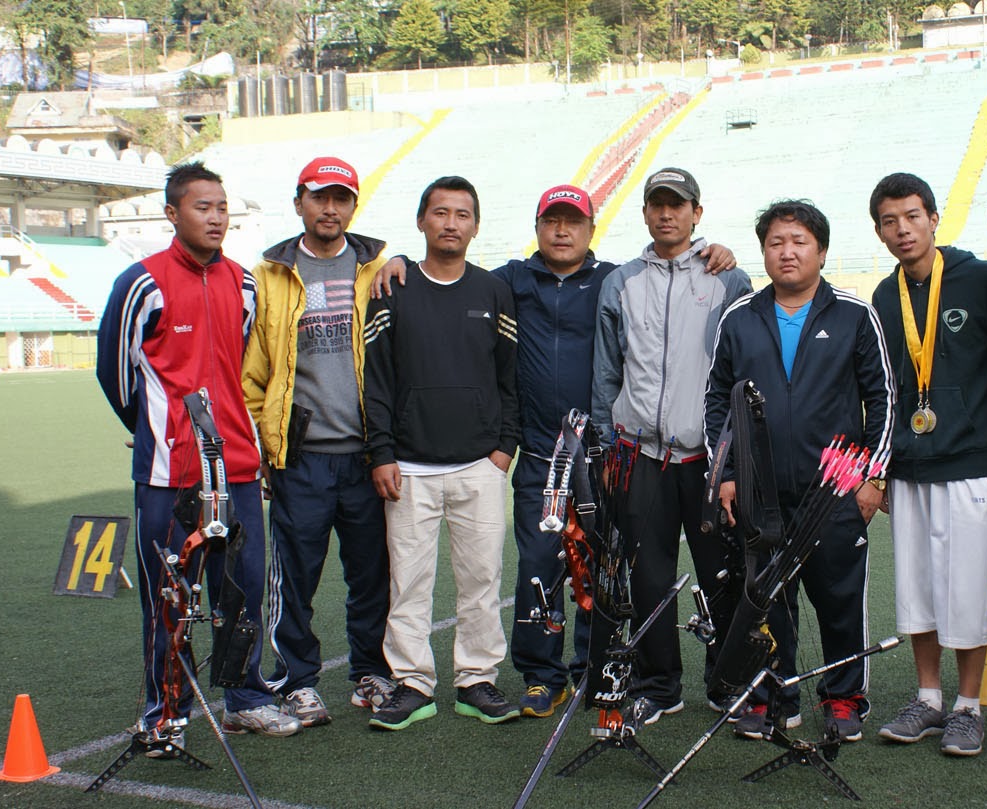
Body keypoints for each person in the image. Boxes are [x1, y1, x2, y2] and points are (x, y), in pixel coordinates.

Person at [369, 185, 737, 719]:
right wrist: (397, 261)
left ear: (591, 228)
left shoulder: (615, 280)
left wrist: (717, 252)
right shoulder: (508, 282)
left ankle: (595, 668)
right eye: (552, 221)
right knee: (539, 567)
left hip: (607, 455)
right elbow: (446, 277)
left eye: (573, 221)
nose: (562, 231)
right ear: (536, 226)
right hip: (540, 454)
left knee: (600, 565)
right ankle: (542, 676)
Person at [97, 161, 301, 750]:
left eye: (221, 206)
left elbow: (240, 369)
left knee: (242, 590)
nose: (215, 217)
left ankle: (246, 699)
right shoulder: (142, 283)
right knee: (171, 599)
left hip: (235, 467)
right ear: (171, 214)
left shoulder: (244, 283)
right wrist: (155, 430)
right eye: (201, 207)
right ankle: (166, 715)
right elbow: (115, 374)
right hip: (169, 474)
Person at [705, 199, 893, 742]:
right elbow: (717, 401)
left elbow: (884, 398)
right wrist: (726, 474)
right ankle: (771, 697)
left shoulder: (855, 314)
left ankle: (843, 698)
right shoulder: (739, 317)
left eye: (799, 242)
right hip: (760, 492)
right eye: (776, 243)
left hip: (834, 488)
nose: (787, 252)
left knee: (838, 600)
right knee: (765, 600)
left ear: (822, 250)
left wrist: (873, 476)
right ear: (764, 251)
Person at [591, 167, 752, 725]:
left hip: (708, 460)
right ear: (644, 214)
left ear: (696, 214)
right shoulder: (621, 282)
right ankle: (660, 686)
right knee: (649, 576)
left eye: (678, 204)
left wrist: (734, 452)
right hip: (640, 455)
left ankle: (724, 682)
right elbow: (607, 372)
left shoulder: (729, 279)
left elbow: (741, 373)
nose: (667, 213)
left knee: (720, 575)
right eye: (657, 204)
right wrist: (607, 447)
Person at [362, 176, 521, 730]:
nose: (451, 223)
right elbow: (376, 380)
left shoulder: (493, 291)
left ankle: (477, 680)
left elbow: (509, 376)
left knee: (482, 579)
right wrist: (381, 451)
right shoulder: (392, 287)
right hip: (408, 467)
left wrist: (504, 448)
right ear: (422, 220)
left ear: (475, 225)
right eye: (440, 212)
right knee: (409, 582)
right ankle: (412, 684)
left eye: (462, 214)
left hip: (480, 464)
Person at [242, 156, 394, 728]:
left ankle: (370, 673)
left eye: (342, 198)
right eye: (319, 197)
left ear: (354, 206)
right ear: (299, 201)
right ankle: (297, 682)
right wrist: (264, 444)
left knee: (372, 576)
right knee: (294, 578)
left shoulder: (380, 269)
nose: (331, 208)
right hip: (300, 459)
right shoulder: (269, 275)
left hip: (367, 457)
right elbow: (252, 374)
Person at [865, 173, 987, 757]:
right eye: (890, 221)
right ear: (878, 231)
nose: (903, 229)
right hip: (908, 468)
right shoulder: (883, 295)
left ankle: (969, 707)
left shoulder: (985, 281)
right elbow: (884, 388)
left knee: (968, 589)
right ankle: (928, 698)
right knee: (917, 589)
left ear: (934, 219)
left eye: (912, 216)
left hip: (970, 464)